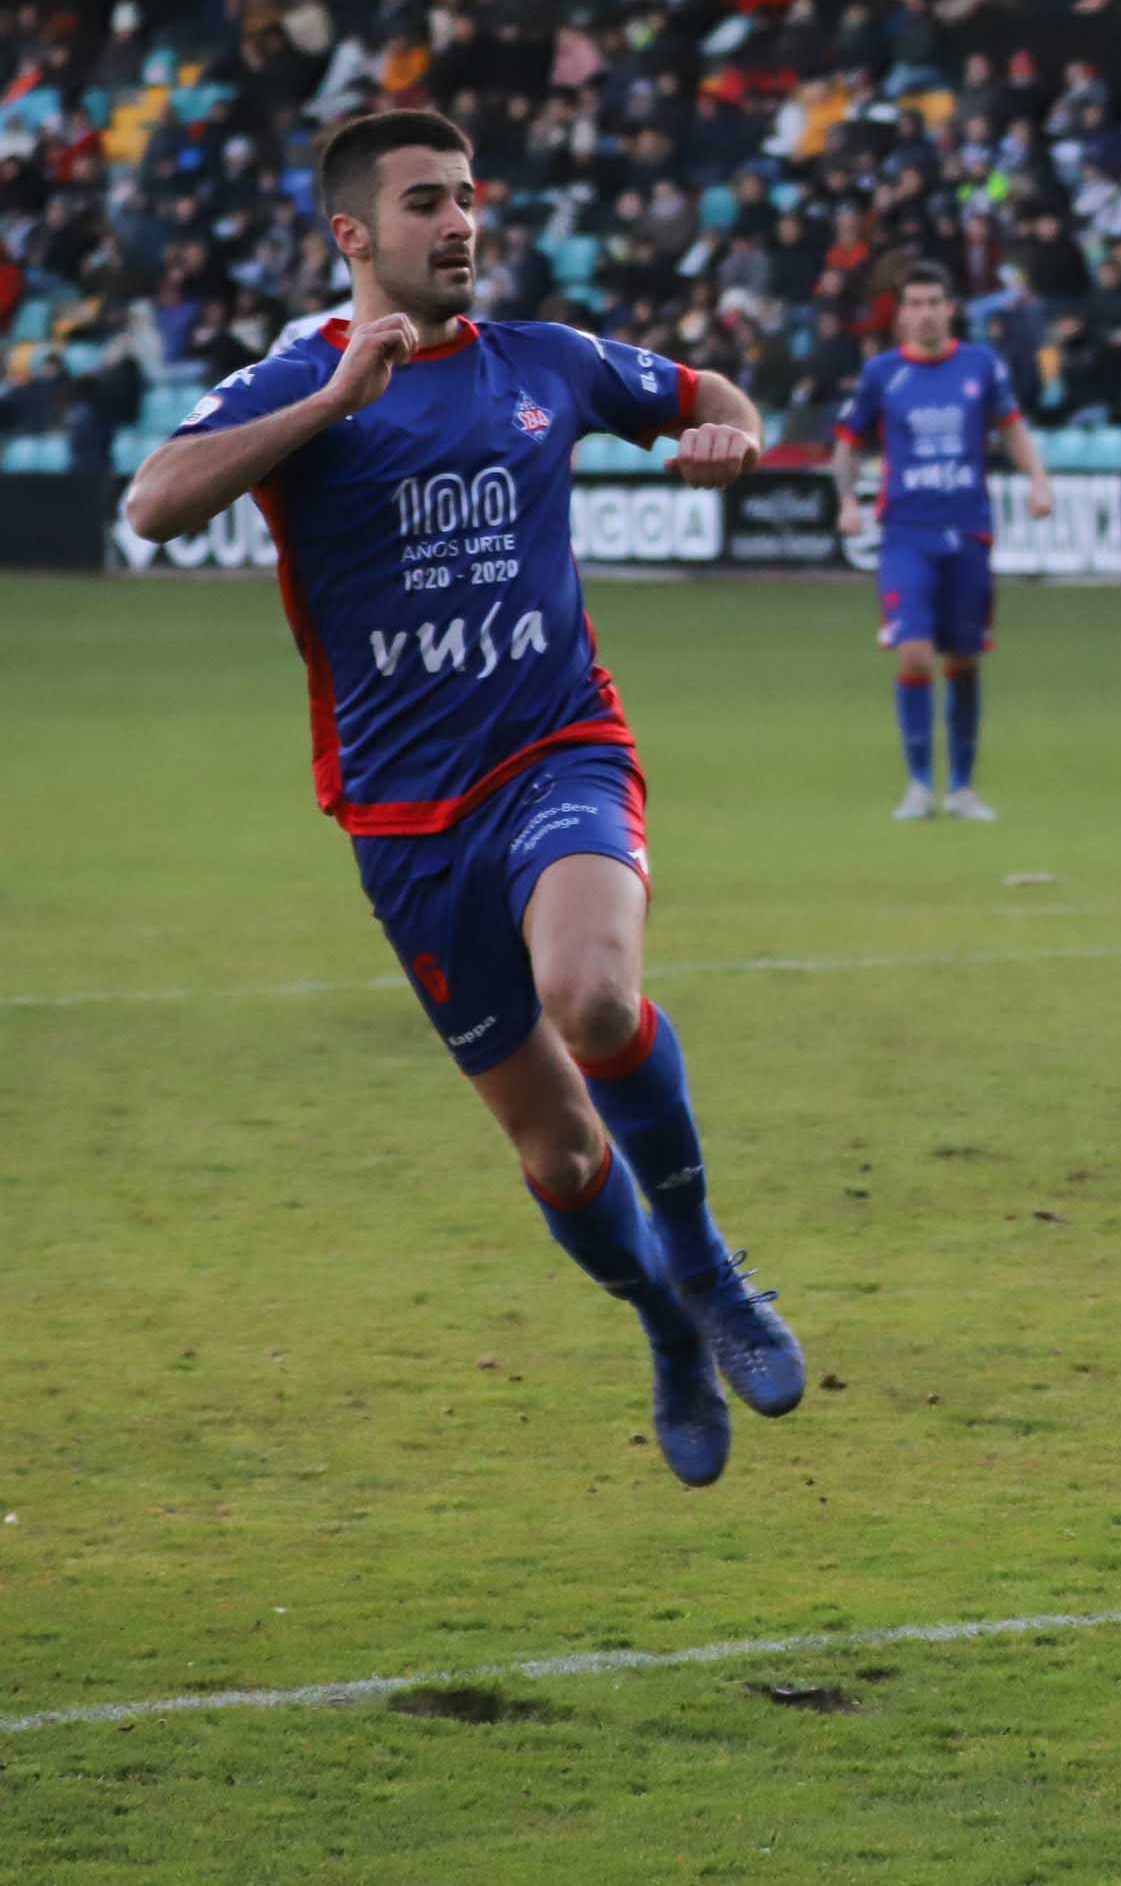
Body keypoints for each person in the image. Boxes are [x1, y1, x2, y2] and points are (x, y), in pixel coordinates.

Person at [119, 111, 805, 1490]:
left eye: (469, 197)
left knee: (596, 999)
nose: (460, 224)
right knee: (556, 1158)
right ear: (352, 237)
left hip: (557, 752)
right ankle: (664, 1323)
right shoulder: (295, 380)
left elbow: (713, 393)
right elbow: (154, 504)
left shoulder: (545, 363)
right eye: (425, 201)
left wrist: (730, 436)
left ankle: (707, 1260)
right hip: (401, 823)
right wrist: (326, 410)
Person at [831, 263, 1054, 822]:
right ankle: (918, 785)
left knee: (964, 659)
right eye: (916, 302)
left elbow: (1012, 428)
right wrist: (846, 502)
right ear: (902, 312)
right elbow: (845, 442)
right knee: (913, 652)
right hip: (907, 532)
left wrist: (1038, 479)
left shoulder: (980, 366)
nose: (926, 311)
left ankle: (961, 788)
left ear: (950, 308)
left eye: (935, 301)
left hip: (970, 531)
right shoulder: (883, 374)